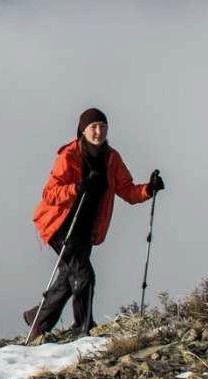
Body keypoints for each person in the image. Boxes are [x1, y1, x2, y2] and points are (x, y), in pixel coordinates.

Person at [26, 107, 164, 340]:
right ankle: (84, 328)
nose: (98, 131)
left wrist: (148, 189)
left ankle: (37, 320)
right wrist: (77, 188)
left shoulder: (111, 158)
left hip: (86, 229)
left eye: (102, 126)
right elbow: (49, 193)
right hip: (60, 226)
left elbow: (127, 191)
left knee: (70, 280)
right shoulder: (69, 156)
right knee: (84, 275)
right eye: (93, 127)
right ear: (83, 130)